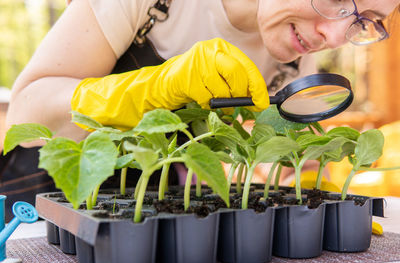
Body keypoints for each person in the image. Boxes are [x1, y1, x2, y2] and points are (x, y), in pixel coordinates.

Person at [2, 0, 400, 200]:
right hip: (37, 197)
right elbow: (26, 114)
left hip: (152, 209)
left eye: (366, 20)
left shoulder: (297, 45)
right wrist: (152, 88)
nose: (332, 37)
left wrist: (282, 170)